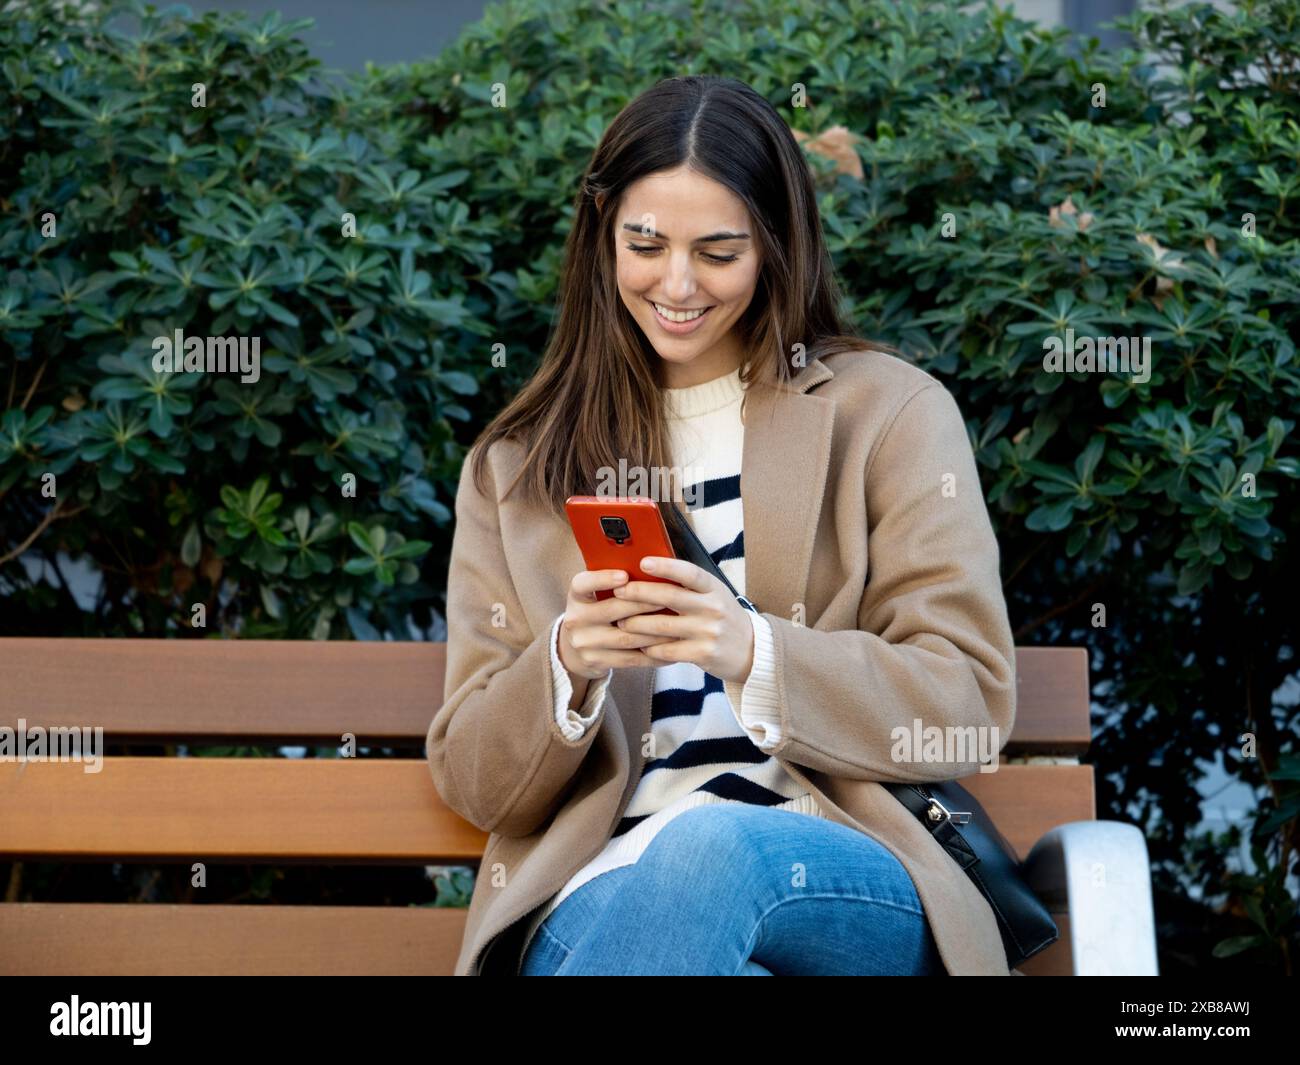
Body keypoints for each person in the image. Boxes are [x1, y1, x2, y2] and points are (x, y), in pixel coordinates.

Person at [426, 75, 1017, 976]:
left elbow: (966, 706)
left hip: (840, 871)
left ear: (777, 247)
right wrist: (566, 664)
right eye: (645, 243)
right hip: (600, 894)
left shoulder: (887, 414)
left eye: (718, 252)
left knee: (714, 846)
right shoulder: (516, 469)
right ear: (601, 238)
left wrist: (754, 650)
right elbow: (475, 781)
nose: (676, 283)